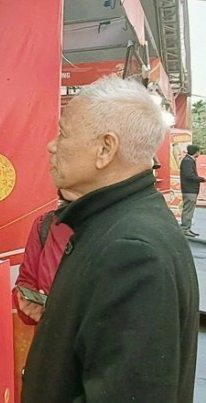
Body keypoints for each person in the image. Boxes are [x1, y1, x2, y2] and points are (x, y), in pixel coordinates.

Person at [22, 76, 198, 403]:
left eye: (63, 133)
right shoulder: (119, 222)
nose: (52, 145)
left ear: (105, 148)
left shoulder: (130, 249)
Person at [13, 193, 73, 325]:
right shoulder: (45, 223)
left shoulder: (121, 226)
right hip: (52, 337)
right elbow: (26, 281)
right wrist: (29, 304)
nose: (54, 171)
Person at [179, 144, 204, 237]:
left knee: (190, 210)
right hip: (189, 190)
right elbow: (189, 175)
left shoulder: (189, 160)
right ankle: (185, 228)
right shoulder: (187, 161)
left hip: (191, 189)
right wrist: (201, 179)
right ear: (196, 152)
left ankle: (187, 228)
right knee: (188, 210)